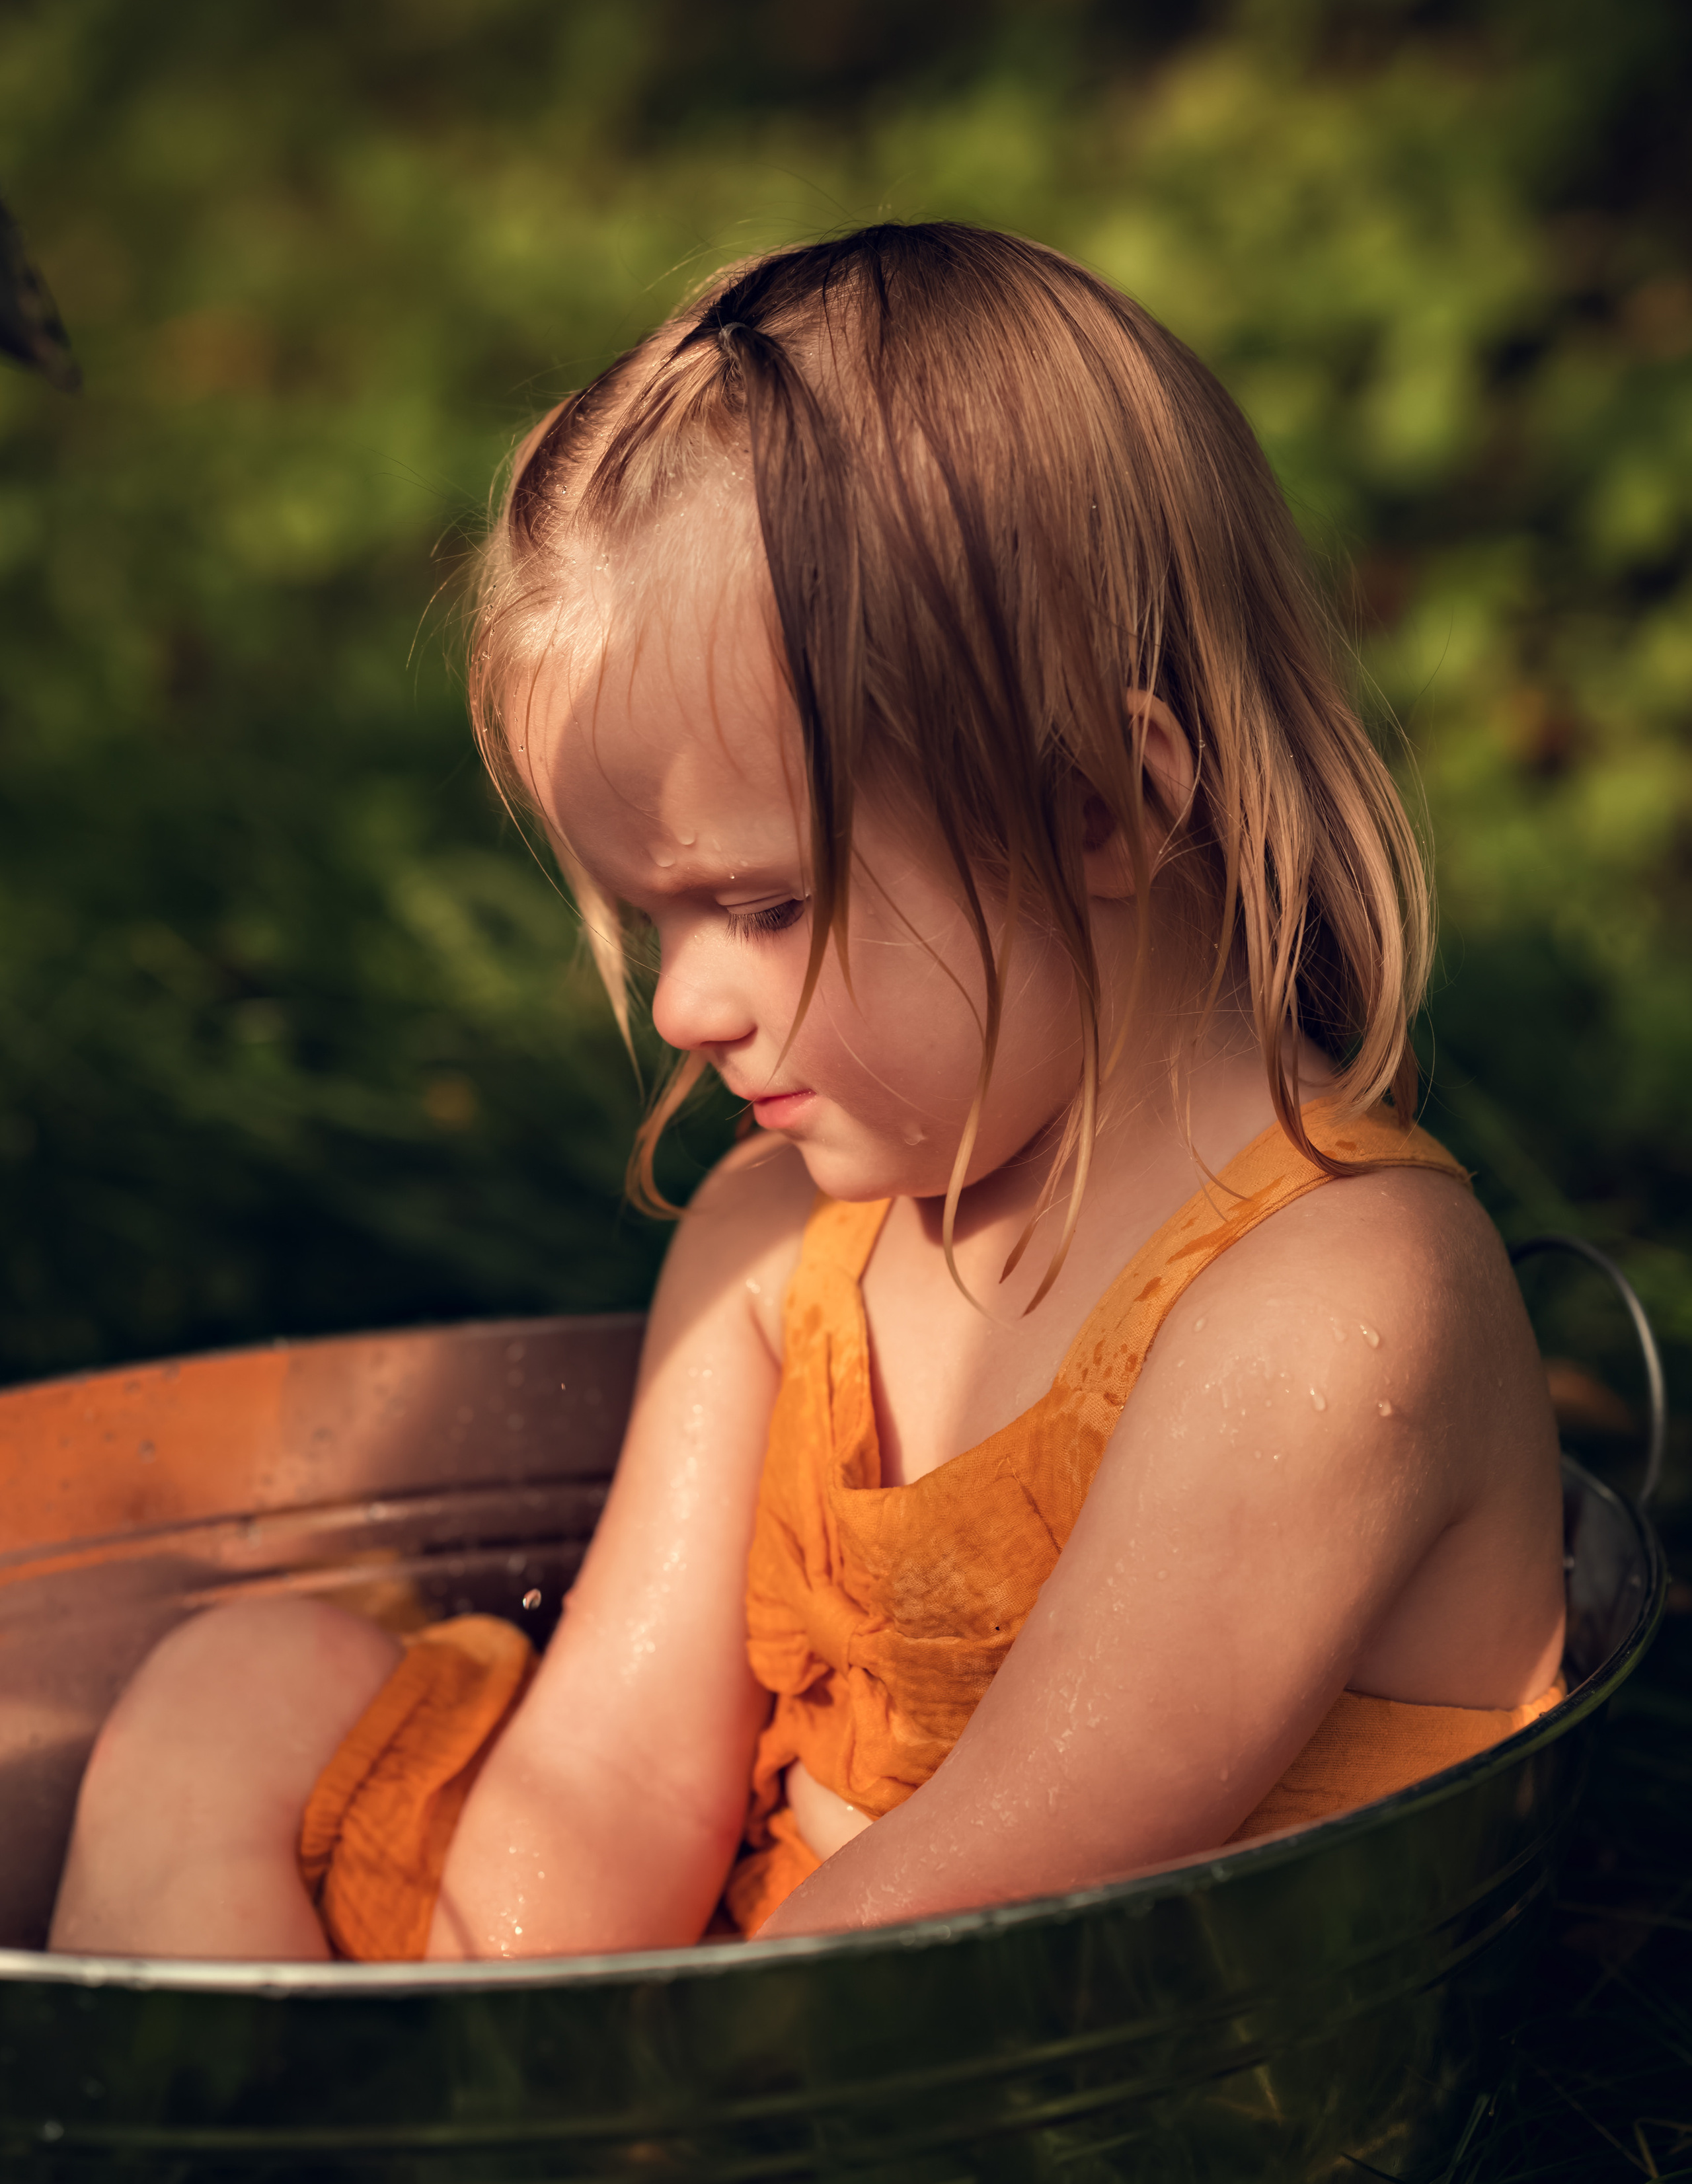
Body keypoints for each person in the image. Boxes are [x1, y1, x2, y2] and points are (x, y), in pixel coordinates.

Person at [47, 223, 1565, 1964]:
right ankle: (212, 2092)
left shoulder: (1335, 1304)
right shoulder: (789, 1241)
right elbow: (610, 1781)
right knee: (239, 1674)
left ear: (1101, 811)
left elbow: (985, 1914)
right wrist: (499, 2007)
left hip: (1031, 2066)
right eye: (653, 919)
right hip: (729, 2008)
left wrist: (626, 2093)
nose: (686, 1004)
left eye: (762, 908)